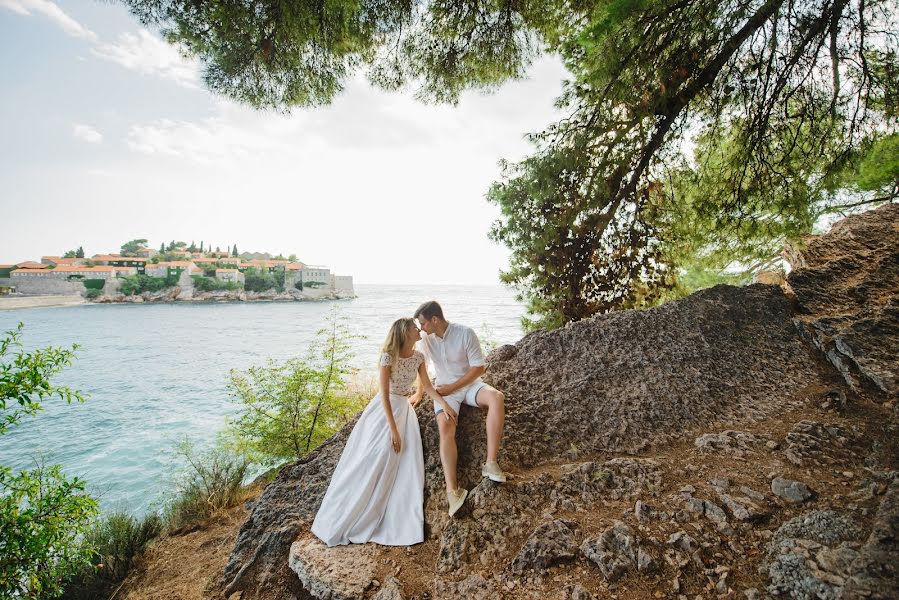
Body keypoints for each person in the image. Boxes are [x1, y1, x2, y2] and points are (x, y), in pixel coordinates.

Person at [311, 317, 451, 546]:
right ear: (405, 333)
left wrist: (442, 403)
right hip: (384, 411)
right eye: (415, 328)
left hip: (404, 411)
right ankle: (352, 512)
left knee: (405, 463)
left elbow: (425, 386)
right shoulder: (388, 357)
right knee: (374, 456)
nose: (419, 331)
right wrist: (393, 429)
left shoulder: (418, 357)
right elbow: (384, 395)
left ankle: (390, 509)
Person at [411, 301, 507, 517]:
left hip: (468, 385)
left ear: (435, 319)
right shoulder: (426, 339)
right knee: (445, 426)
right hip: (445, 392)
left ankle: (491, 464)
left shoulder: (465, 333)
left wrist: (454, 387)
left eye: (423, 323)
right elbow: (422, 367)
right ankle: (452, 492)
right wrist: (419, 393)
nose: (421, 328)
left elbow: (479, 367)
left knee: (497, 398)